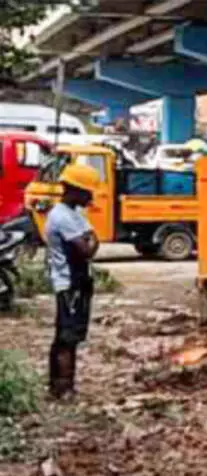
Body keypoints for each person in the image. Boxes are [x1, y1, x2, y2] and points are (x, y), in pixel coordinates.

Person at [43, 163, 101, 399]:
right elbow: (87, 249)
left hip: (77, 282)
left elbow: (92, 240)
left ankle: (61, 385)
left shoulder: (74, 214)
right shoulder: (62, 217)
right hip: (70, 284)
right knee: (67, 337)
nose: (91, 196)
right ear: (75, 190)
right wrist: (90, 240)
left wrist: (91, 240)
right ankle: (62, 387)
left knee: (71, 337)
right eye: (87, 191)